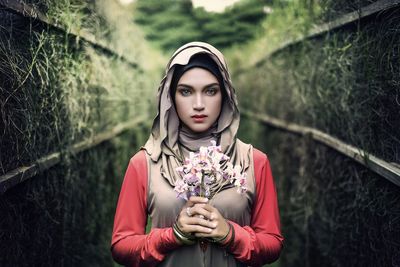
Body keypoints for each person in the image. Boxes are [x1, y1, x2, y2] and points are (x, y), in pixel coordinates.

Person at [111, 42, 284, 267]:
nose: (199, 104)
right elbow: (121, 245)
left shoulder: (254, 161)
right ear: (170, 97)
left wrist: (232, 235)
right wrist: (172, 236)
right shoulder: (144, 162)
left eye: (211, 91)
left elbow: (273, 243)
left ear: (226, 95)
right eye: (186, 91)